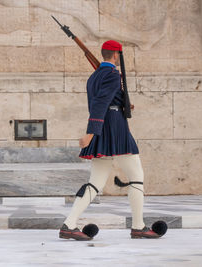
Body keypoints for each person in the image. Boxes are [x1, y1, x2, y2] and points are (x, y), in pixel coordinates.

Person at [59, 40, 160, 240]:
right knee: (136, 177)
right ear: (116, 56)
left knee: (94, 183)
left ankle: (69, 225)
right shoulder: (113, 74)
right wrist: (89, 132)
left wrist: (122, 103)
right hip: (115, 129)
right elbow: (100, 102)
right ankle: (138, 226)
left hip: (103, 130)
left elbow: (103, 99)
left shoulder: (93, 76)